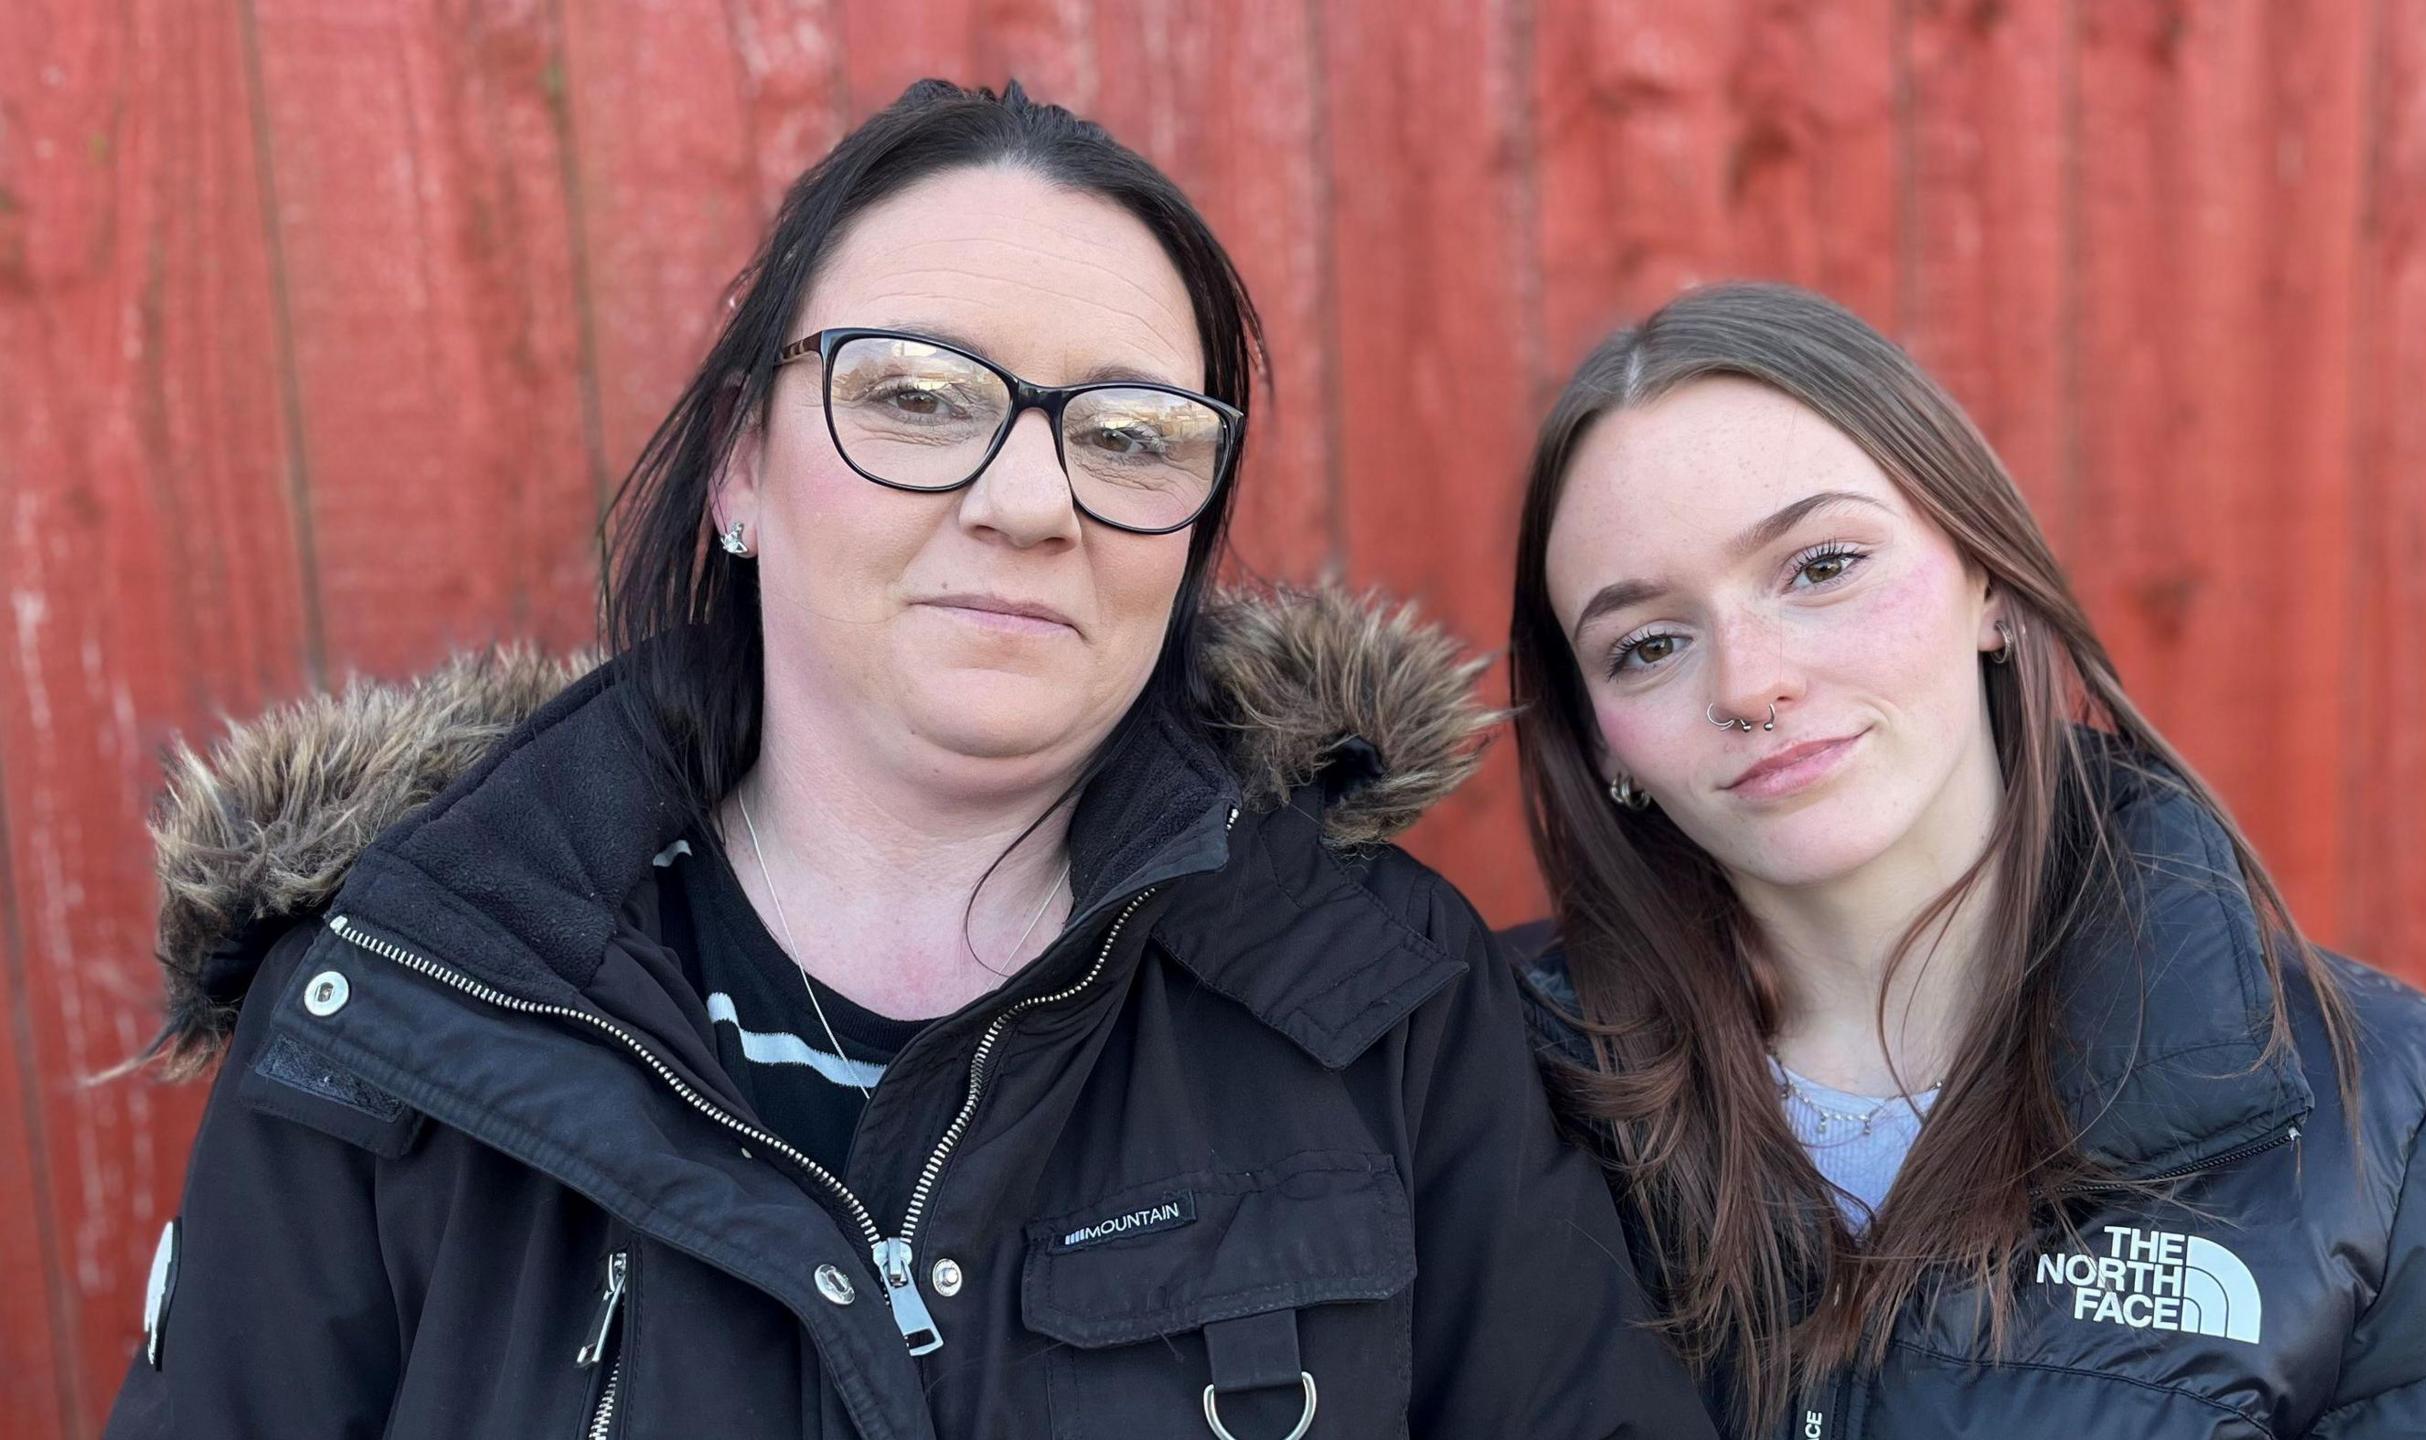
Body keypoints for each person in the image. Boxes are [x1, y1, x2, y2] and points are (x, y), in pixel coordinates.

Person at [107, 80, 1710, 1439]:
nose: (1031, 500)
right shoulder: (393, 1015)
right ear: (741, 467)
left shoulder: (1378, 1001)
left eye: (1131, 434)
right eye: (918, 397)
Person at [1503, 280, 2426, 1438]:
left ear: (1990, 588)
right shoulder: (1483, 1087)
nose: (1750, 685)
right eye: (1648, 643)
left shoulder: (2406, 1134)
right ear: (1598, 737)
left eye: (1820, 567)